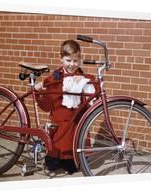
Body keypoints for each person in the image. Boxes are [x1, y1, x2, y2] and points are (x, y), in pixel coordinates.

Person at [35, 39, 97, 175]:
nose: (72, 64)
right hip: (60, 121)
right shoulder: (55, 78)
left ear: (79, 60)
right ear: (61, 59)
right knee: (56, 149)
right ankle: (53, 162)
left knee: (73, 166)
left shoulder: (82, 76)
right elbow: (46, 104)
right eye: (68, 60)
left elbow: (94, 88)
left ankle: (71, 161)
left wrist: (83, 80)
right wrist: (40, 91)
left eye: (75, 61)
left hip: (76, 121)